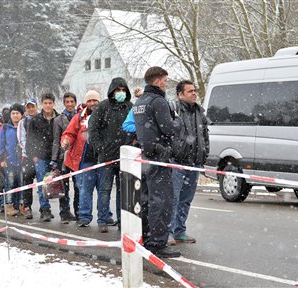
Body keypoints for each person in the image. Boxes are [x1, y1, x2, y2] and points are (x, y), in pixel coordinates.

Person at [133, 66, 181, 258]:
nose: (166, 84)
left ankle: (146, 237)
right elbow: (169, 128)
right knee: (162, 200)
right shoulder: (158, 101)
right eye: (165, 80)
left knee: (147, 199)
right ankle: (158, 242)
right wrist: (177, 121)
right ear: (158, 80)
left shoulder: (140, 101)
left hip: (145, 156)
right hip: (159, 156)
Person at [88, 77, 133, 233]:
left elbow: (136, 129)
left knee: (124, 192)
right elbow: (92, 129)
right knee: (104, 190)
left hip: (125, 157)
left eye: (123, 90)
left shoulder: (130, 107)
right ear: (112, 91)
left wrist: (132, 146)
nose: (120, 93)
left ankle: (122, 222)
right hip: (106, 157)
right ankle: (102, 220)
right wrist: (100, 148)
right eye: (118, 90)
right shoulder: (103, 107)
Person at [169, 80, 209, 244]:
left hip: (195, 163)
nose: (194, 93)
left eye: (195, 91)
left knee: (186, 200)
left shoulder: (200, 111)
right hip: (178, 163)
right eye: (190, 91)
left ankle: (180, 231)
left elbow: (205, 135)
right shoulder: (174, 110)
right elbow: (168, 134)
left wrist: (205, 152)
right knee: (173, 199)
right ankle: (168, 232)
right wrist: (173, 153)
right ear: (180, 94)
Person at [61, 90, 102, 228]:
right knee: (85, 190)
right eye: (89, 101)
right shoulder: (79, 117)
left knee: (103, 190)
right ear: (86, 102)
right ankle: (84, 216)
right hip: (85, 160)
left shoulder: (105, 114)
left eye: (95, 100)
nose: (92, 103)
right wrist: (66, 140)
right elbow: (69, 133)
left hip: (102, 159)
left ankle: (105, 217)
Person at [27, 92, 59, 222]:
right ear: (42, 104)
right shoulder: (35, 120)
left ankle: (64, 210)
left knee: (57, 185)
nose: (48, 105)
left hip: (55, 156)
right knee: (42, 184)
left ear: (53, 104)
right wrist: (34, 155)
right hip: (40, 157)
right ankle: (45, 209)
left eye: (50, 103)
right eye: (45, 103)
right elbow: (30, 139)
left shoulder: (59, 118)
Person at [51, 92, 78, 223]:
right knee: (64, 186)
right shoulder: (58, 120)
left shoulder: (81, 117)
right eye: (67, 102)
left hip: (77, 156)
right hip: (64, 157)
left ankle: (78, 212)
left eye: (72, 101)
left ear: (75, 102)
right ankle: (64, 213)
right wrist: (54, 159)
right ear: (64, 103)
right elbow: (56, 140)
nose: (69, 104)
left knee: (79, 186)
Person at [0, 103, 24, 216]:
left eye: (17, 113)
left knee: (22, 184)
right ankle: (9, 205)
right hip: (9, 161)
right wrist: (1, 159)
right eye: (13, 113)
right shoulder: (6, 128)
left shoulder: (24, 127)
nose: (15, 116)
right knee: (10, 184)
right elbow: (0, 145)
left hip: (22, 161)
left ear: (22, 115)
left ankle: (22, 205)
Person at [18, 98, 39, 219]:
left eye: (33, 106)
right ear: (26, 109)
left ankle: (45, 208)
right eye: (28, 107)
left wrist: (39, 153)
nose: (31, 109)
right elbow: (22, 140)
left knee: (43, 183)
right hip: (27, 157)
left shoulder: (41, 119)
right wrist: (31, 153)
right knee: (27, 183)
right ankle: (27, 207)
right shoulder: (23, 122)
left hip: (41, 157)